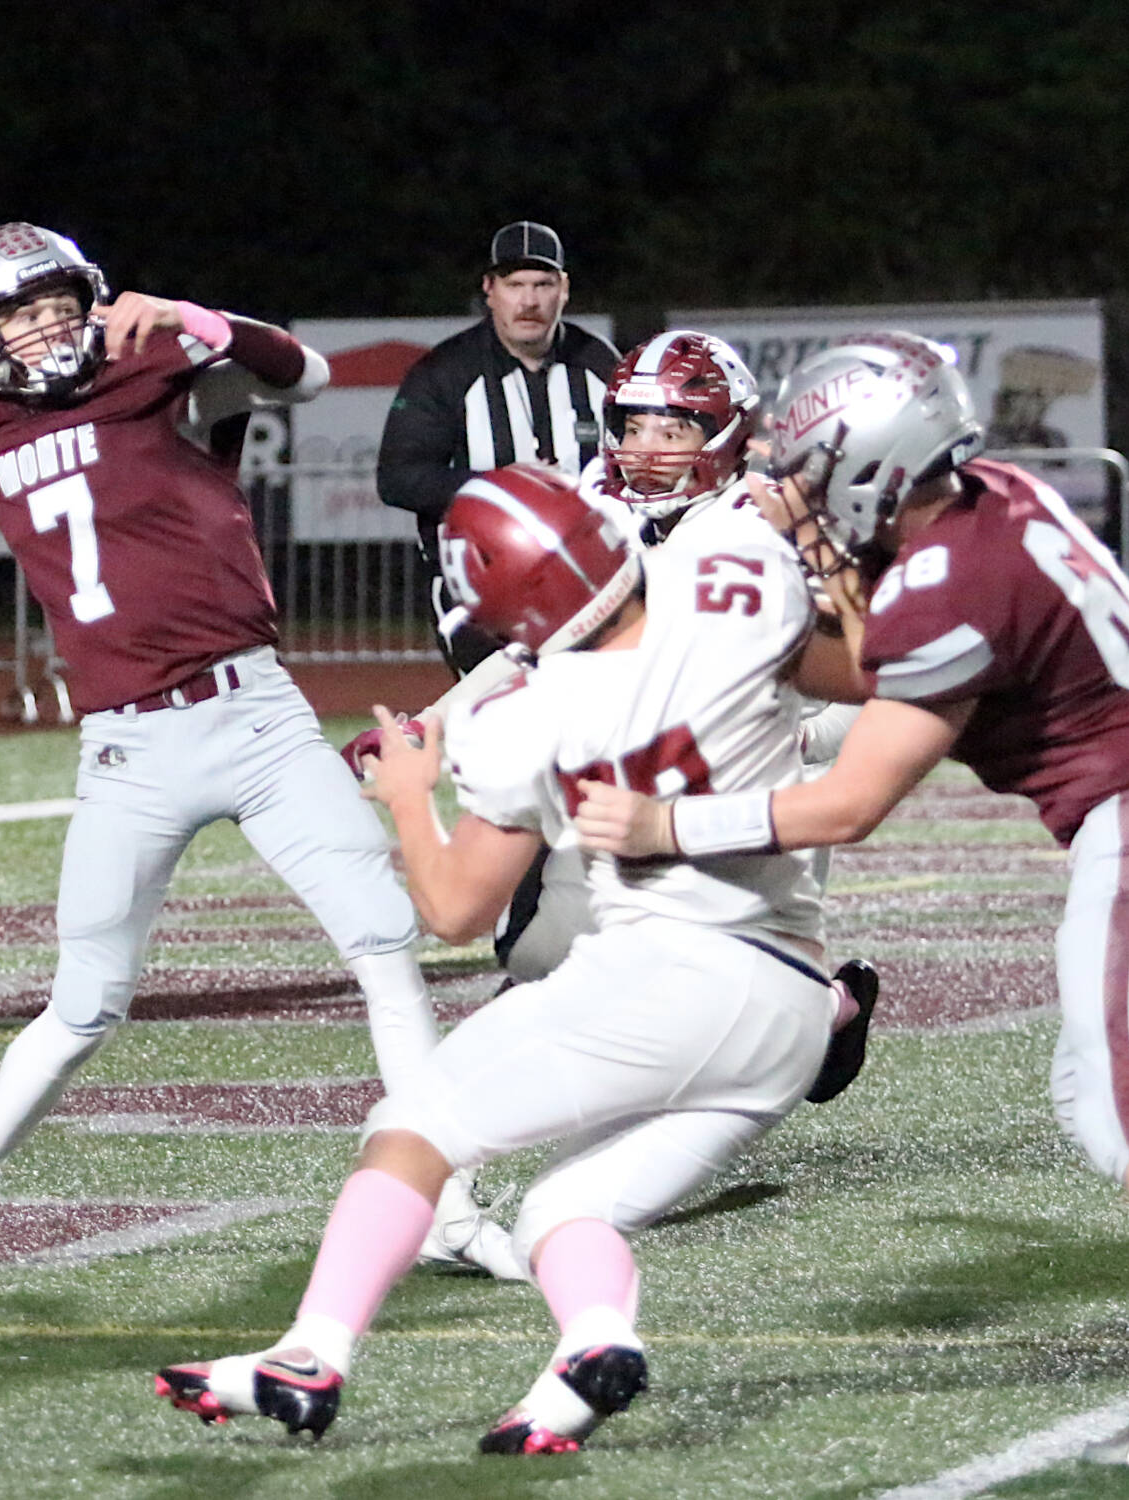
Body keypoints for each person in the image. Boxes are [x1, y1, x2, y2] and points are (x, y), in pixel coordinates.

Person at [0, 221, 521, 1284]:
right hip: (129, 750)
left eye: (63, 301)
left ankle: (448, 1205)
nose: (50, 325)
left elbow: (307, 370)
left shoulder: (161, 367)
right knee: (83, 1005)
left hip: (259, 718)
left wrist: (201, 318)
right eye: (24, 310)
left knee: (387, 950)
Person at [155, 462, 868, 1455]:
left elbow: (452, 909)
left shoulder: (525, 720)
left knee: (412, 1126)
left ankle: (309, 1353)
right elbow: (865, 663)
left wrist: (410, 790)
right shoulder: (730, 590)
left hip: (670, 969)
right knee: (563, 1207)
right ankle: (591, 1347)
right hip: (793, 1005)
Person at [557, 331, 1129, 1464]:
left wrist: (665, 824)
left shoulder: (947, 586)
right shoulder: (997, 494)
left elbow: (850, 801)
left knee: (1110, 1104)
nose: (802, 491)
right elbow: (870, 651)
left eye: (816, 471)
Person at [352, 331, 879, 1102]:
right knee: (540, 952)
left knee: (744, 1007)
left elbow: (868, 681)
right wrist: (430, 719)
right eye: (632, 427)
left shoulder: (769, 526)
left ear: (726, 433)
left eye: (673, 429)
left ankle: (830, 1007)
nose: (646, 449)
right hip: (637, 769)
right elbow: (544, 645)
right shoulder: (602, 512)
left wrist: (785, 735)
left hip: (754, 790)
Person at [376, 220, 619, 676]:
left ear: (563, 289)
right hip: (481, 592)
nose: (529, 301)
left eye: (542, 284)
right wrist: (506, 488)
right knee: (504, 724)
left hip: (591, 580)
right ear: (490, 289)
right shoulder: (444, 372)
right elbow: (398, 478)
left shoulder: (599, 362)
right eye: (515, 285)